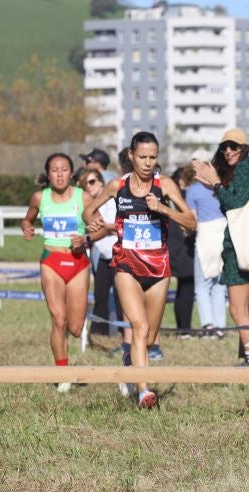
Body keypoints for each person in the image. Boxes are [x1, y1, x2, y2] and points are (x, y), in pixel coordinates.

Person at [84, 132, 197, 408]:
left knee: (148, 336)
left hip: (158, 266)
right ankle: (144, 391)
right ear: (132, 157)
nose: (148, 163)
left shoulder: (164, 184)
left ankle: (130, 362)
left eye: (153, 157)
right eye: (143, 157)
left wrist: (163, 209)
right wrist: (93, 222)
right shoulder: (116, 185)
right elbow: (89, 212)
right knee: (139, 326)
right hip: (126, 264)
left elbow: (191, 223)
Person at [20, 153, 95, 392]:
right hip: (51, 261)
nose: (60, 174)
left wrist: (85, 238)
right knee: (58, 320)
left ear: (71, 173)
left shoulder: (84, 197)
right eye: (54, 170)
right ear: (48, 174)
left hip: (78, 263)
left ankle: (64, 366)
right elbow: (27, 219)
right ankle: (62, 373)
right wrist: (27, 227)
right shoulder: (39, 197)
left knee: (74, 327)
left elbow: (99, 226)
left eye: (64, 169)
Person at [191, 128, 249, 366]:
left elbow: (235, 203)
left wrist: (217, 186)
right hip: (236, 246)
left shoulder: (244, 170)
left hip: (241, 247)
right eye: (225, 147)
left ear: (244, 149)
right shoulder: (239, 170)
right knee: (239, 309)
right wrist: (216, 185)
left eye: (234, 147)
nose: (228, 151)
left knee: (238, 310)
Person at [185, 151, 228, 338]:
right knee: (220, 285)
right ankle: (220, 326)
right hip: (224, 234)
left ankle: (208, 325)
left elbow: (192, 220)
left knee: (202, 285)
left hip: (205, 236)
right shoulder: (222, 186)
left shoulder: (193, 190)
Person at [80, 167, 123, 349]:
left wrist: (93, 234)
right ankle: (99, 331)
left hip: (118, 253)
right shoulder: (92, 206)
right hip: (104, 256)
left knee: (122, 297)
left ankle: (124, 332)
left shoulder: (111, 201)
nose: (89, 187)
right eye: (85, 184)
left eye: (92, 182)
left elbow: (113, 227)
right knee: (100, 295)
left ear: (101, 182)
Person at [168, 165, 197, 338]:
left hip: (173, 246)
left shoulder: (168, 199)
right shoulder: (187, 198)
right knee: (186, 289)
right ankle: (184, 329)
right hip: (185, 247)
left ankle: (182, 328)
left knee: (181, 289)